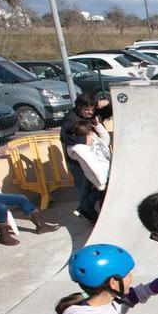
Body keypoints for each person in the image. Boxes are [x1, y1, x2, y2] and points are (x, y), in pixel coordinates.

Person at [62, 93, 106, 223]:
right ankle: (87, 212)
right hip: (78, 163)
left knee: (99, 186)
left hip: (92, 158)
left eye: (92, 109)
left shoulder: (90, 110)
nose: (90, 112)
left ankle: (87, 209)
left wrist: (105, 101)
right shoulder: (71, 119)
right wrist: (83, 139)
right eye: (87, 110)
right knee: (84, 190)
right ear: (79, 107)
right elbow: (63, 137)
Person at [65, 116, 112, 194]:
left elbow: (105, 140)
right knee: (98, 195)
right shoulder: (80, 149)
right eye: (90, 130)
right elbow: (92, 165)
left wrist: (97, 125)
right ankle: (85, 205)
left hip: (107, 173)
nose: (93, 132)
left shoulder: (92, 137)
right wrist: (103, 182)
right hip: (102, 178)